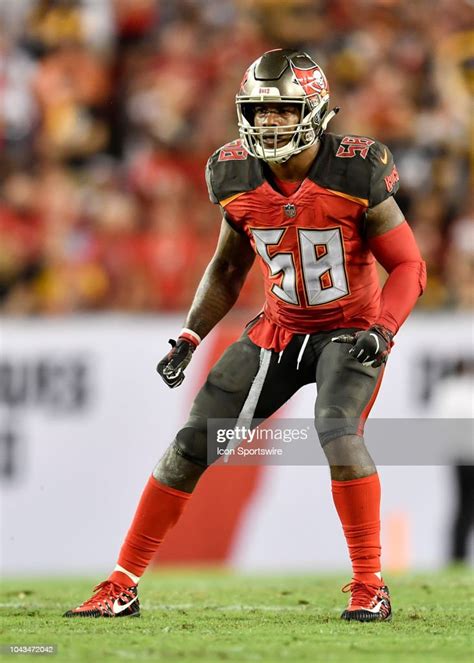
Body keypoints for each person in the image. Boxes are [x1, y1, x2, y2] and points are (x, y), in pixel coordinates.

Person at [64, 49, 426, 621]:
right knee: (188, 446)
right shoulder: (231, 172)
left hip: (350, 330)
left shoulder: (356, 168)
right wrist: (190, 335)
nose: (270, 122)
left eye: (283, 111)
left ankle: (369, 584)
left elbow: (409, 266)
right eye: (260, 111)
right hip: (278, 330)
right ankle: (122, 582)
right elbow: (228, 267)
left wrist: (383, 329)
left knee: (337, 430)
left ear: (314, 110)